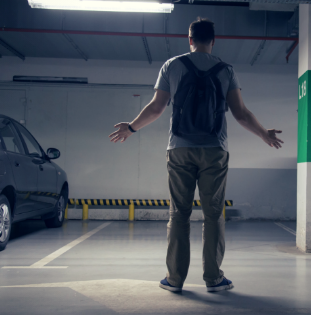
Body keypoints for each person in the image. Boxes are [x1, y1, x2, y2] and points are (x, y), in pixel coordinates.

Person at [109, 17, 283, 293]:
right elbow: (241, 114)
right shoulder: (226, 70)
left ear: (189, 39)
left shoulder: (172, 66)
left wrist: (131, 128)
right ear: (213, 41)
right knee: (214, 215)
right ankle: (213, 279)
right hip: (215, 150)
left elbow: (156, 108)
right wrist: (264, 134)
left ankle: (175, 279)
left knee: (179, 213)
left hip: (179, 149)